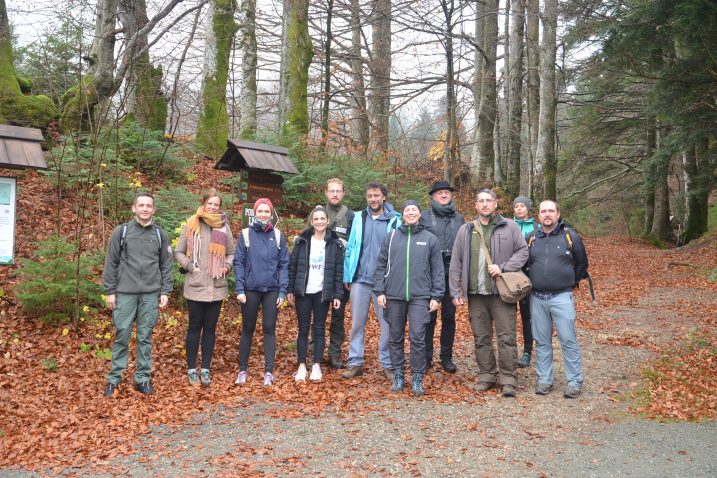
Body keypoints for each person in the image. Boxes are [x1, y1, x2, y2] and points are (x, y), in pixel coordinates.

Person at [448, 189, 528, 398]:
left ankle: (509, 379)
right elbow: (456, 262)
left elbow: (523, 251)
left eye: (488, 201)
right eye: (481, 201)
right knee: (481, 337)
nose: (485, 204)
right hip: (476, 294)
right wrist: (456, 290)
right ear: (475, 205)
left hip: (501, 293)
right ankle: (487, 376)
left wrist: (504, 266)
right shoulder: (466, 230)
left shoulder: (509, 226)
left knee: (506, 337)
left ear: (495, 204)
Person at [102, 192, 173, 397]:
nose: (144, 209)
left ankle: (142, 378)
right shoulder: (121, 232)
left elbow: (166, 265)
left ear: (153, 209)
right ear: (134, 208)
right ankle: (114, 379)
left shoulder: (160, 234)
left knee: (144, 337)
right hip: (125, 293)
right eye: (140, 205)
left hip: (150, 294)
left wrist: (165, 291)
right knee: (122, 334)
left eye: (148, 205)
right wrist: (110, 291)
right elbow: (111, 263)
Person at [374, 200, 444, 396]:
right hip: (393, 296)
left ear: (420, 214)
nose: (411, 212)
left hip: (420, 296)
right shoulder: (392, 237)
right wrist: (379, 291)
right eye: (407, 210)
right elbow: (380, 265)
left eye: (414, 209)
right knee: (395, 337)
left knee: (418, 337)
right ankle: (398, 374)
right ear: (402, 215)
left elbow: (438, 270)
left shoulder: (430, 239)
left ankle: (417, 376)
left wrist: (436, 296)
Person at [526, 200, 588, 399]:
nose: (547, 215)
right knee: (542, 341)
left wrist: (569, 281)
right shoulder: (531, 238)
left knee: (568, 339)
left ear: (558, 214)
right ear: (538, 216)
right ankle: (545, 380)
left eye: (551, 211)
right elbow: (525, 264)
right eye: (543, 211)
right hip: (536, 298)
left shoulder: (570, 237)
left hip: (561, 296)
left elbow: (582, 265)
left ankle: (574, 381)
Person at [174, 190, 235, 387]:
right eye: (210, 203)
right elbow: (179, 251)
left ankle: (206, 369)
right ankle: (192, 369)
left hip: (217, 285)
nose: (213, 207)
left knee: (210, 329)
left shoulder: (224, 227)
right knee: (194, 327)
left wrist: (227, 266)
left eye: (216, 204)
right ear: (204, 203)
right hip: (196, 284)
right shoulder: (192, 223)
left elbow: (231, 253)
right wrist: (190, 266)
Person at [342, 182, 401, 380]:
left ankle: (388, 364)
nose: (373, 199)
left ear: (384, 197)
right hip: (360, 279)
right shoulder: (359, 218)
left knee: (387, 324)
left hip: (383, 283)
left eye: (376, 195)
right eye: (370, 196)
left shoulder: (394, 221)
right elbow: (351, 247)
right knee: (357, 323)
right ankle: (355, 362)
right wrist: (347, 275)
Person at [234, 198, 289, 387]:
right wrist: (240, 288)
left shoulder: (278, 235)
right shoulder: (246, 234)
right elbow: (239, 263)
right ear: (255, 213)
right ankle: (242, 370)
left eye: (267, 211)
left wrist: (283, 291)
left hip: (272, 290)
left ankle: (268, 371)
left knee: (269, 329)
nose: (264, 214)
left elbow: (284, 264)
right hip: (250, 289)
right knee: (247, 329)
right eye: (261, 211)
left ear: (271, 214)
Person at [288, 206, 344, 382]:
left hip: (322, 293)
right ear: (312, 222)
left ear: (327, 221)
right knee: (303, 329)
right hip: (304, 292)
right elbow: (293, 267)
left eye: (322, 219)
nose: (319, 222)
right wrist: (290, 289)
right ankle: (302, 365)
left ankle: (317, 365)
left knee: (319, 329)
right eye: (316, 219)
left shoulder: (335, 243)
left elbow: (338, 271)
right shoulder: (302, 241)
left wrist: (337, 294)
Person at [420, 180, 465, 373]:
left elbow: (464, 247)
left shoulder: (459, 219)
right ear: (433, 196)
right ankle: (426, 357)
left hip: (451, 274)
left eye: (447, 192)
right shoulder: (424, 217)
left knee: (449, 318)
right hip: (429, 275)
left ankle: (446, 357)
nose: (444, 195)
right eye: (440, 193)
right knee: (428, 318)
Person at [323, 178, 354, 369]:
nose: (335, 194)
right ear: (326, 192)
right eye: (331, 191)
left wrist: (349, 275)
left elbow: (356, 246)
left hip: (341, 275)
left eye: (338, 191)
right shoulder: (318, 212)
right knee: (316, 315)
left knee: (337, 316)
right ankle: (314, 352)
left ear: (343, 193)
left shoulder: (350, 216)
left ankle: (334, 354)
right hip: (319, 274)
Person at [512, 195, 535, 369]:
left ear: (528, 208)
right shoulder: (506, 225)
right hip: (510, 276)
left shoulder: (536, 228)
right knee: (508, 316)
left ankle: (527, 351)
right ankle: (509, 351)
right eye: (516, 206)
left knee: (527, 316)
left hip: (530, 276)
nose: (519, 208)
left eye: (522, 206)